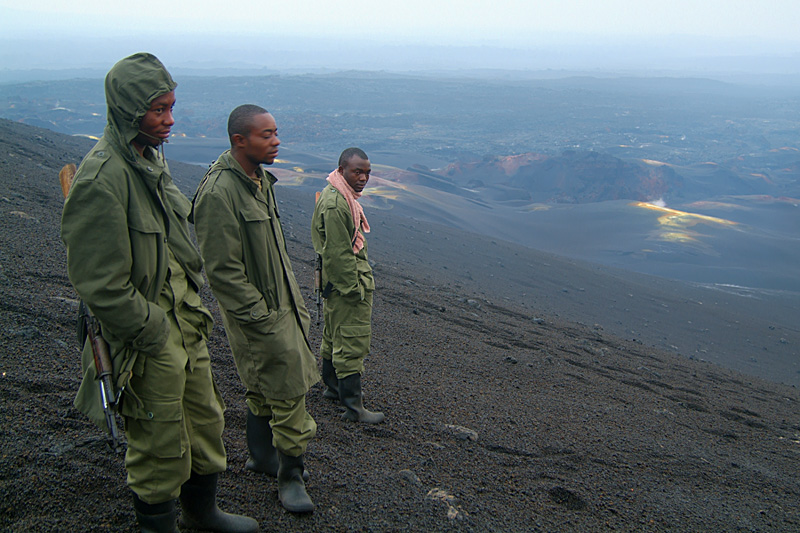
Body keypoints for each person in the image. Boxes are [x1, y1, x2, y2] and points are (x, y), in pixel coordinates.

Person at [60, 53, 258, 533]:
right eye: (159, 111)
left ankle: (201, 512)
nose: (171, 120)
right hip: (148, 338)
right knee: (157, 436)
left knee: (206, 420)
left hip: (186, 323)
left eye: (172, 107)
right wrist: (153, 333)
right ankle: (158, 524)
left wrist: (184, 322)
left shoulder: (149, 160)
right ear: (130, 110)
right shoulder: (102, 178)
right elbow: (100, 286)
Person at [191, 104, 320, 513]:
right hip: (259, 317)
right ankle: (290, 476)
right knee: (289, 390)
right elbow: (223, 271)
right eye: (266, 135)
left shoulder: (258, 180)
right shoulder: (218, 193)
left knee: (264, 388)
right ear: (238, 141)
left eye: (276, 132)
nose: (276, 140)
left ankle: (261, 457)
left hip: (281, 306)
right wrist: (261, 318)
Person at [311, 147, 385, 424]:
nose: (364, 177)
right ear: (342, 170)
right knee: (351, 339)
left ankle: (333, 389)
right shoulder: (336, 203)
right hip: (346, 286)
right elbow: (338, 253)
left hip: (336, 284)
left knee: (334, 334)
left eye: (367, 172)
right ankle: (354, 407)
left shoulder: (338, 195)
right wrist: (354, 289)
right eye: (357, 171)